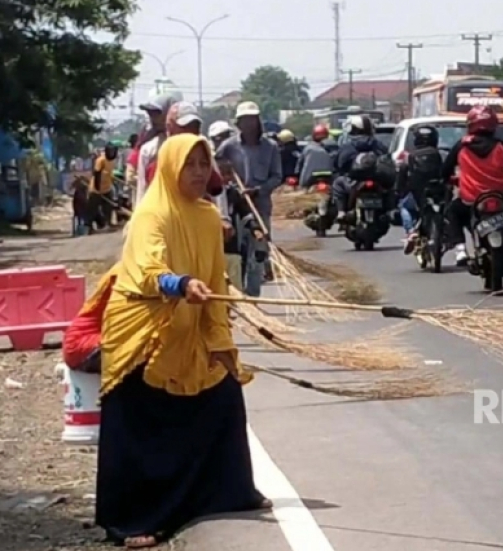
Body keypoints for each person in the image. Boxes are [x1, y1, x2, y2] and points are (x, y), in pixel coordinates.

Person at [95, 134, 270, 548]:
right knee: (140, 425)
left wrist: (220, 340)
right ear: (171, 167)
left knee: (222, 395)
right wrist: (179, 283)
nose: (196, 172)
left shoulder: (208, 217)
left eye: (202, 164)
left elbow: (212, 279)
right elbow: (145, 270)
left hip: (189, 325)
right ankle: (133, 520)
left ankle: (227, 491)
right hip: (143, 332)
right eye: (188, 164)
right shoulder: (151, 214)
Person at [442, 105, 503, 266]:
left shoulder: (461, 146)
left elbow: (445, 171)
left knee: (451, 211)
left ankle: (460, 249)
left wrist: (452, 179)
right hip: (500, 197)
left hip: (470, 201)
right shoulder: (502, 146)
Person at [215, 101, 282, 295]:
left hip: (259, 207)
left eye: (252, 119)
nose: (249, 124)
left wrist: (259, 190)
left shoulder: (270, 147)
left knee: (258, 253)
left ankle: (253, 297)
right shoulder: (228, 147)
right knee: (236, 253)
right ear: (238, 123)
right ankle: (237, 293)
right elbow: (217, 170)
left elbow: (277, 176)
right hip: (235, 208)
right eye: (245, 120)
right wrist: (231, 185)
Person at [331, 115, 390, 219]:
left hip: (354, 181)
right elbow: (387, 158)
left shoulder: (348, 145)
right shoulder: (376, 143)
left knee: (337, 185)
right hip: (377, 180)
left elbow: (340, 164)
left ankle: (341, 212)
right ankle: (391, 210)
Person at [396, 125, 444, 254]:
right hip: (438, 192)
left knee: (404, 206)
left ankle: (411, 231)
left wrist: (399, 190)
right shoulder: (441, 154)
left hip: (417, 194)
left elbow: (402, 174)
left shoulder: (409, 156)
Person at [135, 93, 178, 204]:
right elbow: (142, 188)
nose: (152, 118)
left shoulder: (195, 145)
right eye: (150, 113)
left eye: (156, 113)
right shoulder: (148, 149)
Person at [86, 142, 119, 233]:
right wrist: (98, 189)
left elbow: (109, 173)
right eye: (110, 151)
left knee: (108, 207)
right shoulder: (100, 160)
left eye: (113, 151)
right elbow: (97, 174)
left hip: (107, 188)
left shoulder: (112, 161)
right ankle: (89, 227)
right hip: (96, 189)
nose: (112, 153)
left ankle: (108, 223)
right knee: (92, 209)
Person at [298, 124, 335, 189]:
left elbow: (300, 164)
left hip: (308, 180)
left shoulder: (308, 148)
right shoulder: (334, 147)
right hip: (328, 180)